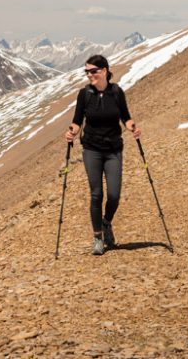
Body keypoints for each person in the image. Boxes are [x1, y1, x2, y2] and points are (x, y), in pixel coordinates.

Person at [65, 54, 141, 255]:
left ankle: (107, 222)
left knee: (114, 195)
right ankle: (98, 237)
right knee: (96, 193)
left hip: (114, 148)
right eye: (87, 72)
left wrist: (132, 126)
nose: (90, 75)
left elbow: (125, 116)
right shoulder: (84, 94)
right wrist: (71, 132)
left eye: (93, 71)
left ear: (105, 71)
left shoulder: (116, 92)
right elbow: (77, 120)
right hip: (91, 149)